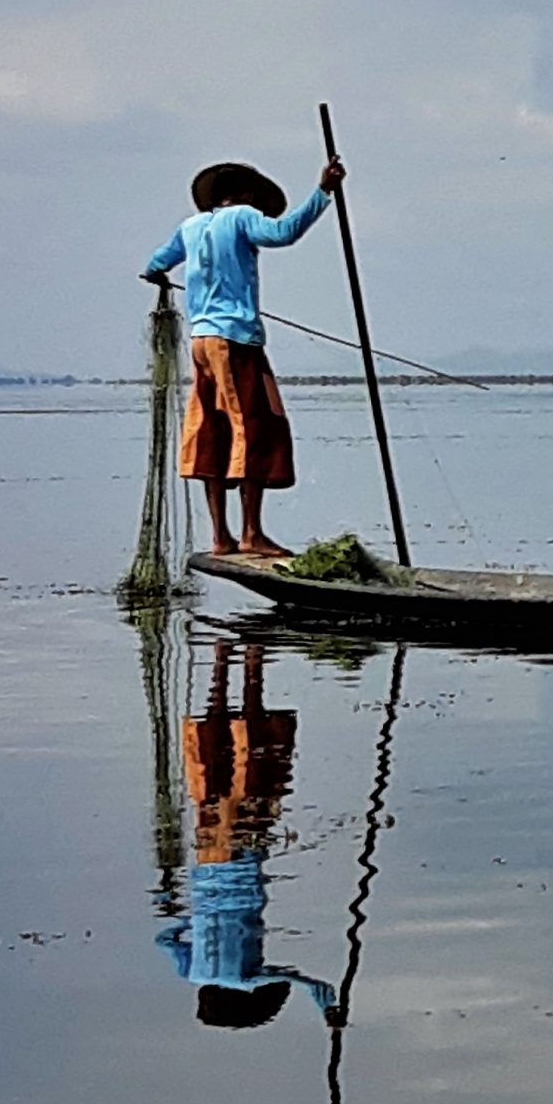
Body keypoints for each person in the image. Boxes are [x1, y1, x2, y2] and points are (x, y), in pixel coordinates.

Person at [143, 155, 344, 557]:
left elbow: (154, 265)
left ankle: (221, 537)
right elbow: (285, 232)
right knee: (255, 426)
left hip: (202, 343)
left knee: (212, 432)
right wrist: (324, 191)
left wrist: (166, 277)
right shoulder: (242, 217)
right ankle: (251, 533)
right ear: (244, 194)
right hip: (235, 341)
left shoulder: (191, 226)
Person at [155, 640, 339, 1030]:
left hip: (241, 866)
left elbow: (299, 980)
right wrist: (181, 916)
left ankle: (253, 665)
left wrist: (328, 1008)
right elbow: (164, 941)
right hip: (205, 867)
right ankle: (222, 664)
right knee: (211, 779)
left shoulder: (243, 978)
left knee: (252, 774)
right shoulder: (191, 975)